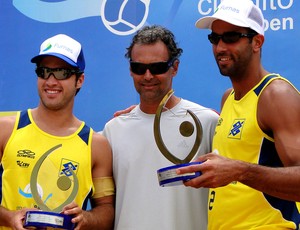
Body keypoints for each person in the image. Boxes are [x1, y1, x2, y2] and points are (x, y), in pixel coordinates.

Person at [176, 0, 300, 229]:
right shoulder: (229, 97)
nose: (220, 47)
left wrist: (240, 171)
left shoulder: (276, 95)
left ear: (257, 42)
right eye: (214, 38)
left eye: (231, 37)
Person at [102, 25, 219, 230]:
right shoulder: (113, 130)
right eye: (139, 68)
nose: (147, 76)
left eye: (157, 68)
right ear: (131, 70)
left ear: (175, 67)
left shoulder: (207, 122)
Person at [0, 34, 115, 230]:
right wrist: (8, 217)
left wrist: (86, 218)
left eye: (61, 73)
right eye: (44, 72)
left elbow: (106, 211)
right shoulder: (6, 129)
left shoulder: (96, 145)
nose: (50, 81)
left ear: (80, 80)